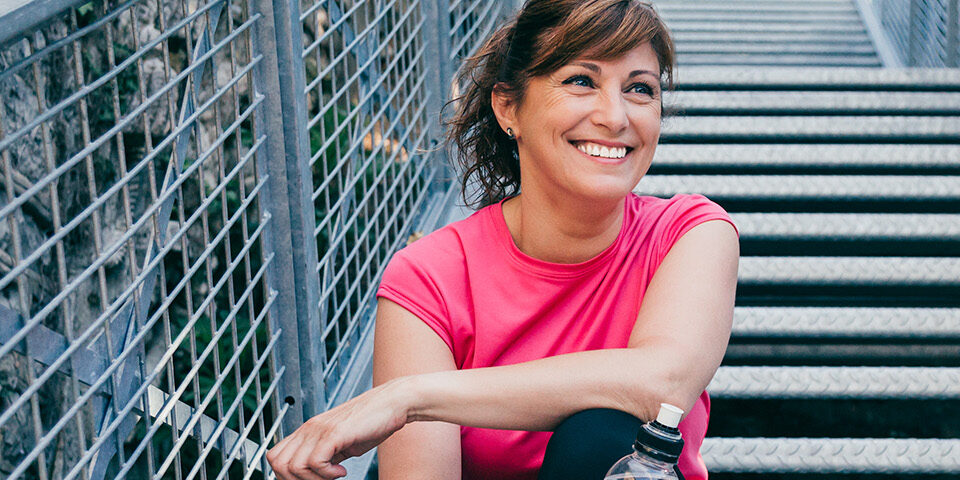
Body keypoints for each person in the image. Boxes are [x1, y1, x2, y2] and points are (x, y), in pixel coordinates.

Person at [265, 1, 739, 479]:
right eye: (581, 81)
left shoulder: (691, 233)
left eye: (640, 89)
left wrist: (409, 395)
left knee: (603, 439)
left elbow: (663, 384)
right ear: (508, 107)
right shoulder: (430, 276)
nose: (615, 116)